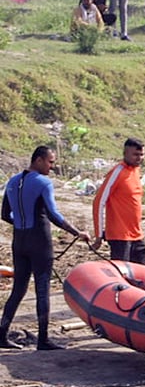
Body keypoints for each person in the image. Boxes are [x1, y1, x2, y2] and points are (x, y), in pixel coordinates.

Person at [0, 147, 92, 349]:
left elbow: (5, 214)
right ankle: (43, 340)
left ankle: (2, 334)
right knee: (43, 290)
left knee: (18, 289)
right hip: (40, 242)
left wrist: (22, 223)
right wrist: (78, 233)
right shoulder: (43, 182)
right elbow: (53, 215)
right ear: (39, 160)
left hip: (19, 241)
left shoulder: (13, 181)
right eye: (50, 162)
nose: (52, 166)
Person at [92, 138, 145, 265]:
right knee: (122, 273)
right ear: (125, 153)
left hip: (136, 233)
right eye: (135, 155)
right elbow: (99, 202)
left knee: (143, 269)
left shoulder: (135, 170)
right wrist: (99, 234)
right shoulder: (117, 172)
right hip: (120, 235)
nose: (139, 158)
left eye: (141, 154)